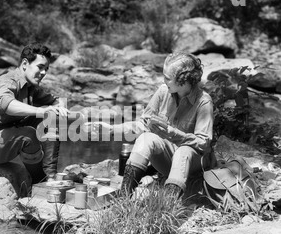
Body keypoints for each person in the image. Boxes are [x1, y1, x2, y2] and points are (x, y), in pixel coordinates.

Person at [91, 52, 215, 198]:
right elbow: (143, 125)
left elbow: (204, 143)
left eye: (167, 78)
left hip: (193, 165)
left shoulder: (204, 102)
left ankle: (168, 206)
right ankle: (124, 198)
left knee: (184, 151)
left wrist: (173, 133)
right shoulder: (163, 91)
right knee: (146, 138)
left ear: (183, 80)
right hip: (169, 161)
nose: (164, 80)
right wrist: (111, 129)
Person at [0, 42, 69, 186]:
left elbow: (57, 101)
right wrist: (40, 110)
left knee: (51, 118)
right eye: (40, 67)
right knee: (28, 134)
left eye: (46, 69)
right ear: (25, 64)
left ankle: (50, 177)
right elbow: (4, 103)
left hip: (4, 134)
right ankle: (38, 182)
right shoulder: (8, 81)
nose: (44, 73)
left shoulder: (31, 86)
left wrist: (61, 109)